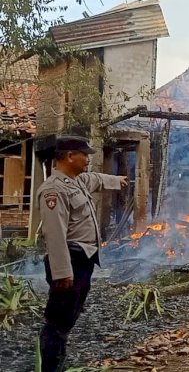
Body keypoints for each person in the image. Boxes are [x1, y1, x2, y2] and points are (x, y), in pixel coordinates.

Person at [37, 136, 128, 372]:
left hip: (83, 260)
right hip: (70, 260)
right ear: (69, 156)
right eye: (84, 154)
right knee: (57, 319)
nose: (88, 159)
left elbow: (95, 179)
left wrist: (117, 180)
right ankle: (49, 365)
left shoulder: (75, 182)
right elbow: (55, 235)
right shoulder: (53, 190)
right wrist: (62, 273)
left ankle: (58, 357)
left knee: (68, 315)